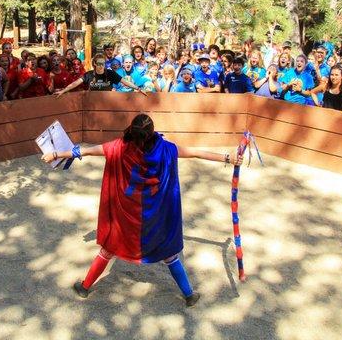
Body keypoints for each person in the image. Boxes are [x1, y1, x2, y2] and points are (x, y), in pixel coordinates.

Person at [40, 114, 243, 307]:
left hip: (126, 216)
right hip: (155, 217)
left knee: (109, 250)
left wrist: (56, 154)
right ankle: (189, 295)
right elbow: (196, 152)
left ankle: (84, 287)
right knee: (169, 254)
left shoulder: (118, 147)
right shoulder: (166, 149)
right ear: (152, 132)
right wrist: (227, 158)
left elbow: (84, 151)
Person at [55, 55, 146, 95]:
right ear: (94, 64)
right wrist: (64, 91)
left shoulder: (110, 73)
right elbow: (75, 83)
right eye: (99, 63)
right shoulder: (89, 75)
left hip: (107, 103)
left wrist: (138, 88)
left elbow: (124, 81)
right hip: (94, 103)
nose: (101, 66)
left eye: (103, 63)